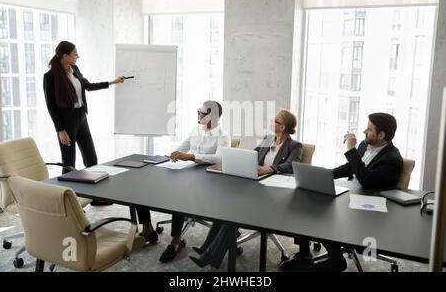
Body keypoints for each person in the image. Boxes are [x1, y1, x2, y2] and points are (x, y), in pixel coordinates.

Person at [280, 112, 403, 272]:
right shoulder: (366, 145)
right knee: (308, 199)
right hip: (352, 197)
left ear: (381, 135)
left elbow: (366, 181)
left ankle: (335, 259)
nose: (364, 132)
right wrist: (322, 175)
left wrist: (351, 149)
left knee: (325, 213)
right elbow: (349, 167)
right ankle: (304, 253)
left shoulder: (392, 159)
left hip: (369, 210)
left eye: (369, 129)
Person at [189, 109, 302, 269]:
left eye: (275, 120)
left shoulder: (294, 146)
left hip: (275, 194)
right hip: (257, 186)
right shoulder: (268, 138)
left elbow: (291, 165)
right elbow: (254, 154)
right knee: (227, 206)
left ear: (282, 127)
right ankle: (206, 247)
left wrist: (270, 169)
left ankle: (210, 256)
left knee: (234, 212)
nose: (271, 121)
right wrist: (242, 158)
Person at [135, 100, 231, 262]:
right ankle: (147, 228)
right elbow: (181, 148)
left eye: (201, 112)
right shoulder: (196, 129)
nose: (198, 115)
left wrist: (191, 156)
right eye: (198, 111)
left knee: (178, 194)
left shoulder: (224, 136)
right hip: (186, 171)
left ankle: (175, 241)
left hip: (207, 179)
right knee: (143, 184)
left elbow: (219, 157)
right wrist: (170, 156)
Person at [43, 41, 125, 206]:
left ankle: (94, 197)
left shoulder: (75, 70)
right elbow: (50, 106)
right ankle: (67, 203)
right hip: (66, 122)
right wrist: (61, 130)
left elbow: (87, 86)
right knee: (69, 164)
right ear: (65, 56)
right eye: (75, 54)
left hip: (81, 117)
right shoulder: (50, 76)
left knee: (91, 158)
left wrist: (112, 82)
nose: (77, 56)